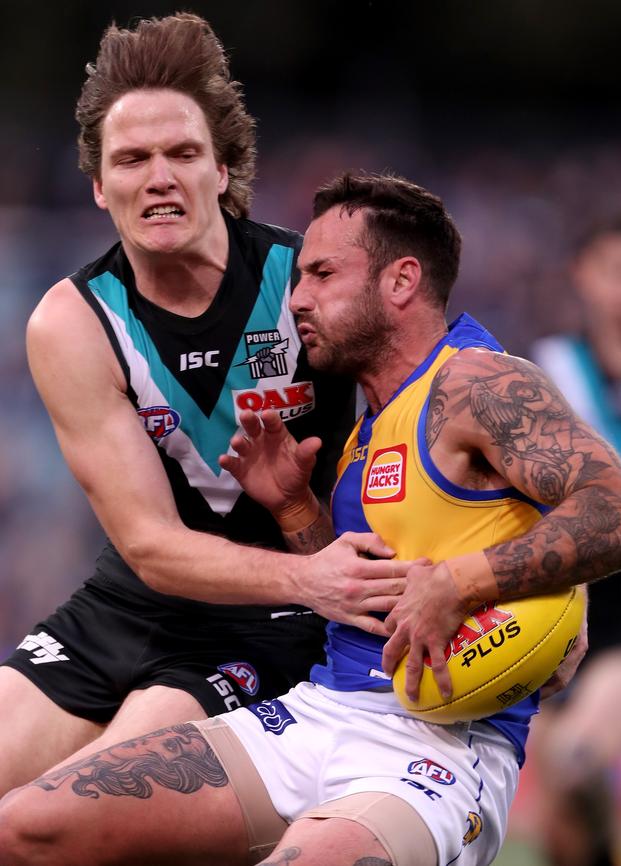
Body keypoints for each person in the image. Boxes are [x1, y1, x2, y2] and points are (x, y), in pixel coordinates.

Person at [1, 172, 621, 866]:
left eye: (321, 274)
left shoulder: (478, 382)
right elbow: (363, 595)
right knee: (24, 825)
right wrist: (294, 508)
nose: (298, 297)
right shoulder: (367, 425)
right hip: (320, 713)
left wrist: (462, 583)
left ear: (400, 281)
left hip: (437, 749)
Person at [0, 14, 416, 798]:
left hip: (269, 622)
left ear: (222, 169)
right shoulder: (72, 321)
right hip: (128, 606)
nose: (158, 176)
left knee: (74, 809)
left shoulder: (311, 282)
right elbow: (151, 545)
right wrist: (314, 581)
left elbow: (447, 428)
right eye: (131, 159)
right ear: (98, 185)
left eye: (182, 154)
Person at [521, 217, 621, 866]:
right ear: (584, 277)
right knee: (561, 831)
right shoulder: (542, 372)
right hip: (559, 612)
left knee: (578, 762)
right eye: (613, 270)